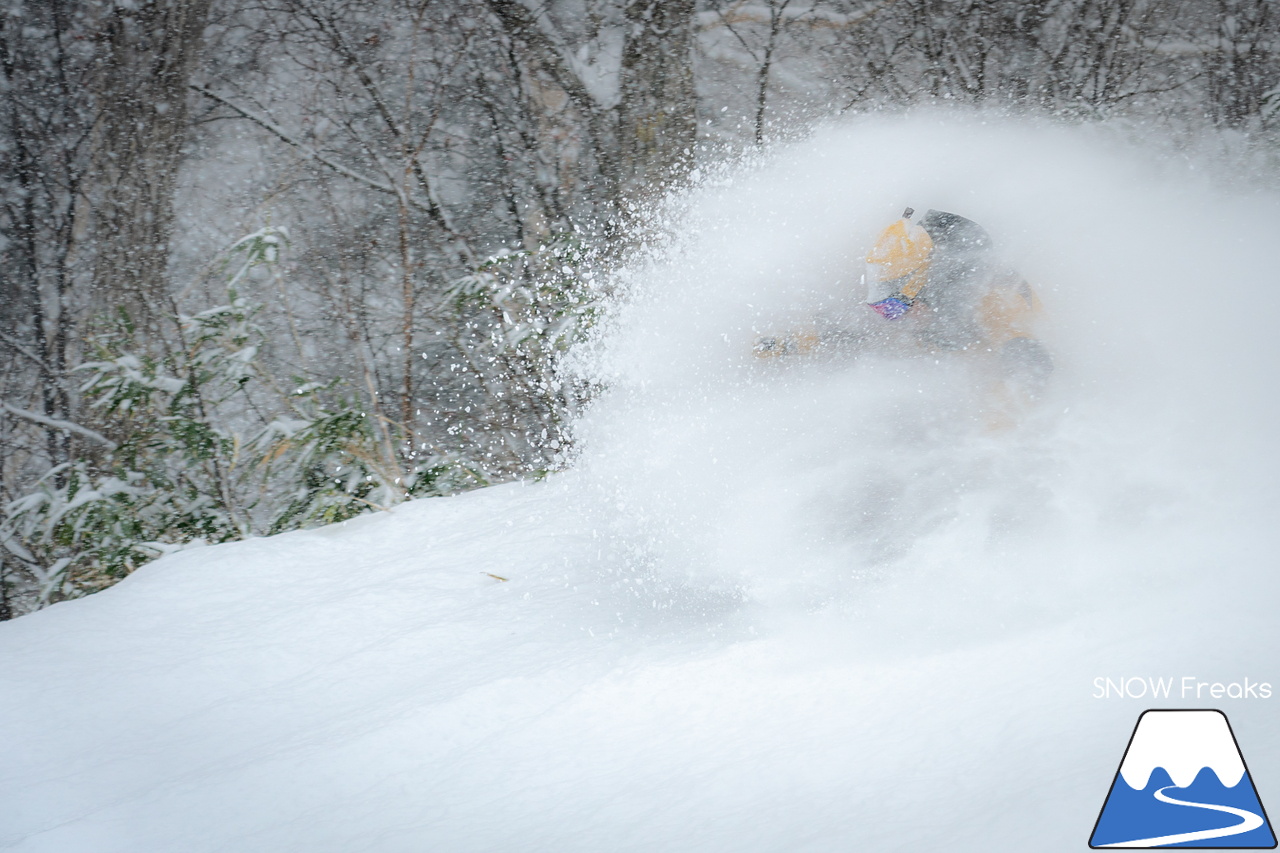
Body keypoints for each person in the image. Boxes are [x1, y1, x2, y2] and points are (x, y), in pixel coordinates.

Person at [756, 207, 1053, 418]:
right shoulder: (909, 302)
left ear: (931, 291)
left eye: (894, 307)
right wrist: (784, 344)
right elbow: (849, 327)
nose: (889, 316)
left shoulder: (992, 299)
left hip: (979, 405)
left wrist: (1011, 400)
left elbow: (1026, 352)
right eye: (884, 307)